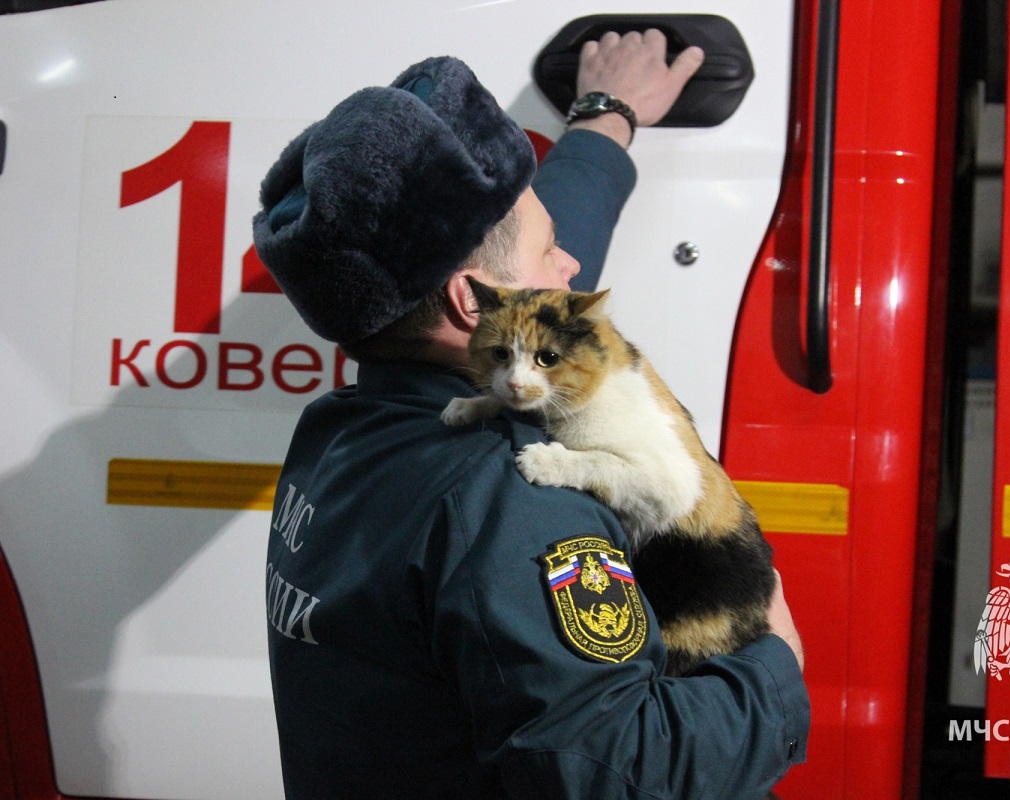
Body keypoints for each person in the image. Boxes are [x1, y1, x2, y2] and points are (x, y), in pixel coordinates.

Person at [253, 31, 810, 800]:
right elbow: (616, 773)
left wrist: (605, 117)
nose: (569, 269)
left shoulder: (341, 432)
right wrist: (775, 668)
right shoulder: (512, 500)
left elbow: (544, 256)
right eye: (551, 253)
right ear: (470, 301)